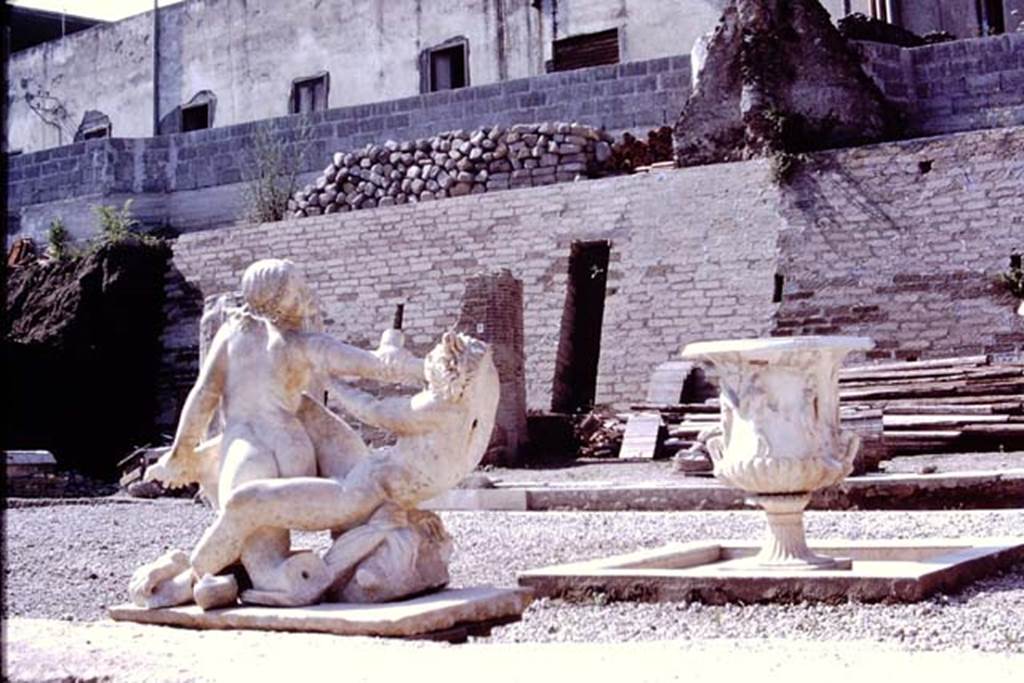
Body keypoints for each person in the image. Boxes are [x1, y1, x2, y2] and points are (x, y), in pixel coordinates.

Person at [130, 258, 421, 609]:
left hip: (247, 447)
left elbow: (204, 395)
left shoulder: (232, 334)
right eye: (301, 288)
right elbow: (370, 365)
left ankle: (196, 578)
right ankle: (243, 575)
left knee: (255, 536)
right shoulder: (302, 343)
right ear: (286, 298)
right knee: (263, 531)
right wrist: (392, 357)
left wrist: (180, 454)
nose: (308, 295)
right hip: (295, 447)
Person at [184, 330, 499, 606]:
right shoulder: (472, 413)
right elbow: (439, 375)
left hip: (358, 494)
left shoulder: (434, 408)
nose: (427, 363)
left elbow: (372, 410)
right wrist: (399, 363)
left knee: (245, 502)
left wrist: (332, 381)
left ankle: (193, 575)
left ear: (450, 367)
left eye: (434, 359)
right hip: (379, 482)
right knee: (303, 408)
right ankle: (212, 470)